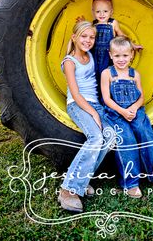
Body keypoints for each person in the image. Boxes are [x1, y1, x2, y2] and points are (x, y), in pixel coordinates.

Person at [101, 36, 153, 198]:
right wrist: (123, 111)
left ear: (131, 55)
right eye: (117, 56)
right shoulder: (107, 74)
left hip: (135, 111)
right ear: (110, 55)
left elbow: (141, 97)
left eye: (125, 55)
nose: (121, 59)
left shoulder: (134, 74)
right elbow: (106, 99)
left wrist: (133, 107)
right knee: (127, 140)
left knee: (146, 134)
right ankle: (131, 183)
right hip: (115, 113)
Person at [59, 21, 115, 212]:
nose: (88, 40)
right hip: (78, 105)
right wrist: (93, 113)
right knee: (96, 137)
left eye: (91, 37)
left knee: (111, 137)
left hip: (95, 105)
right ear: (74, 38)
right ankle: (68, 189)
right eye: (83, 36)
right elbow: (75, 94)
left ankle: (81, 180)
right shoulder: (69, 62)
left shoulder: (89, 55)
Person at [78, 0, 143, 98]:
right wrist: (82, 23)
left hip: (108, 56)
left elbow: (121, 35)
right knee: (94, 76)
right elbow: (86, 33)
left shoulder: (113, 23)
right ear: (93, 12)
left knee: (107, 76)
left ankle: (109, 99)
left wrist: (132, 45)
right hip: (94, 55)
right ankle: (95, 98)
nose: (101, 14)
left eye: (105, 11)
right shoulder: (93, 25)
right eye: (98, 11)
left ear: (111, 11)